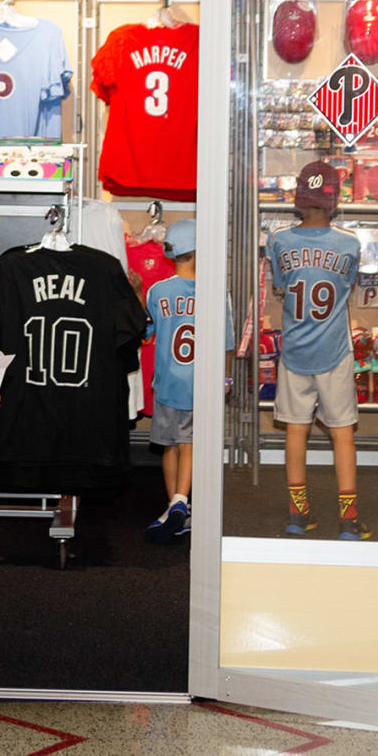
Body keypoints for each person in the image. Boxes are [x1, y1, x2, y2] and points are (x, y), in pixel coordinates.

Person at [268, 162, 367, 540]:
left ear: (299, 200)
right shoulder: (348, 242)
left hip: (295, 350)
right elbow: (347, 284)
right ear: (334, 200)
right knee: (343, 433)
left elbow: (281, 284)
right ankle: (348, 519)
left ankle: (297, 515)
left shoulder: (279, 240)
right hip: (334, 350)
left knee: (296, 430)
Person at [142, 219, 231, 545]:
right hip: (201, 382)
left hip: (167, 381)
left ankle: (176, 506)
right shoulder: (214, 291)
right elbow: (226, 342)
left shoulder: (158, 291)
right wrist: (226, 378)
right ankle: (180, 502)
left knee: (169, 445)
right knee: (188, 443)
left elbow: (146, 333)